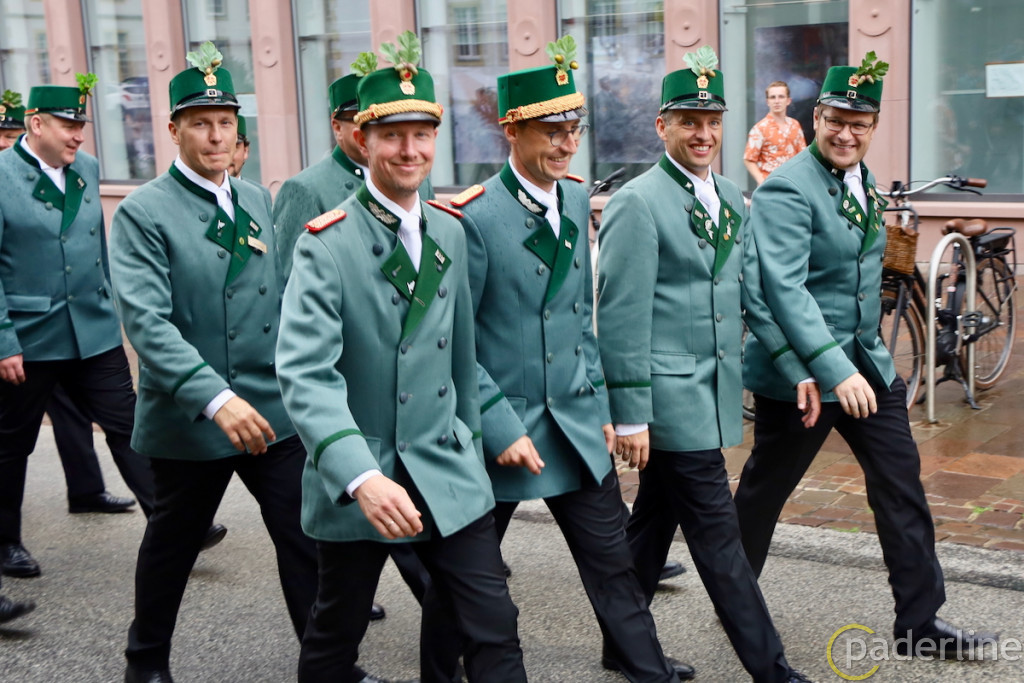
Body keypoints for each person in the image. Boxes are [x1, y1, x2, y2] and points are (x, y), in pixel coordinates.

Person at [108, 44, 385, 683]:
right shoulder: (145, 211)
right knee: (173, 545)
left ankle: (328, 665)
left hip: (271, 408)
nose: (215, 136)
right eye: (201, 123)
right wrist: (215, 398)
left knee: (305, 537)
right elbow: (148, 323)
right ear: (174, 129)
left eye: (226, 123)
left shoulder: (259, 198)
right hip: (193, 415)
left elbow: (287, 296)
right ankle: (144, 662)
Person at [276, 33, 527, 683]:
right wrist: (360, 475)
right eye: (392, 136)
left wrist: (479, 438)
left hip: (446, 463)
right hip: (367, 472)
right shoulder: (327, 243)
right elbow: (305, 372)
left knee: (493, 623)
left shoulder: (449, 228)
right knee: (336, 632)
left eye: (421, 134)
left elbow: (461, 357)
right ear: (363, 142)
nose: (409, 150)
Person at [735, 53, 998, 658]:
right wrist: (834, 368)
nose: (846, 134)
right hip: (804, 377)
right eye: (836, 120)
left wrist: (864, 360)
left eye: (860, 124)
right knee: (763, 495)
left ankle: (920, 624)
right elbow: (784, 288)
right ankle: (735, 601)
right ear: (817, 118)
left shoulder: (864, 182)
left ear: (873, 126)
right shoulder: (785, 188)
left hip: (869, 366)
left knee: (900, 486)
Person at [450, 37, 690, 683]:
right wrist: (498, 428)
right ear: (511, 130)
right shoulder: (473, 217)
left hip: (575, 422)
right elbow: (457, 344)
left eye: (573, 129)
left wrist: (602, 404)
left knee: (613, 563)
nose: (566, 144)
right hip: (503, 430)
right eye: (551, 130)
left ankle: (646, 667)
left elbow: (581, 317)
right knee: (465, 578)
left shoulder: (577, 198)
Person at [597, 47, 810, 683]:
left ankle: (623, 646)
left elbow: (751, 296)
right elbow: (621, 315)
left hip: (709, 396)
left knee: (650, 526)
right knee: (721, 543)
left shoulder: (731, 197)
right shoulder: (637, 202)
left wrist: (794, 366)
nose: (703, 134)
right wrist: (630, 413)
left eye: (712, 121)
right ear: (661, 126)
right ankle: (772, 670)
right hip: (668, 402)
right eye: (689, 121)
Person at [0, 78, 153, 580]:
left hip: (93, 329)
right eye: (68, 124)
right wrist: (3, 340)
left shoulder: (85, 168)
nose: (78, 135)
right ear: (35, 124)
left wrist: (114, 306)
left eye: (80, 124)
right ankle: (6, 543)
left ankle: (174, 523)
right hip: (30, 337)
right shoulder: (2, 176)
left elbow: (97, 248)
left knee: (129, 424)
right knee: (12, 444)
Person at [274, 71, 434, 282]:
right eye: (358, 119)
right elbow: (292, 278)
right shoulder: (305, 189)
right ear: (337, 127)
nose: (367, 127)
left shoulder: (415, 176)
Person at [743, 81, 806, 186]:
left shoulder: (795, 125)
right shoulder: (760, 128)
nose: (777, 101)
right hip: (770, 185)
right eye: (773, 97)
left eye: (781, 97)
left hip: (793, 184)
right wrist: (761, 181)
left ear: (788, 100)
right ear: (767, 101)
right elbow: (749, 159)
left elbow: (802, 156)